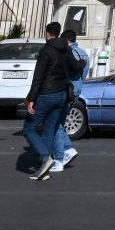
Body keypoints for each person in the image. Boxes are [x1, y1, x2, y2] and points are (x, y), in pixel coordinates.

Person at [24, 21, 81, 181]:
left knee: (29, 127)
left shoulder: (46, 50)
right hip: (62, 94)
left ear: (47, 33)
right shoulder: (66, 48)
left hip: (47, 94)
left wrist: (31, 99)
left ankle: (45, 158)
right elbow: (75, 66)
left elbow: (39, 76)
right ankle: (45, 168)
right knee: (50, 128)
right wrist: (82, 63)